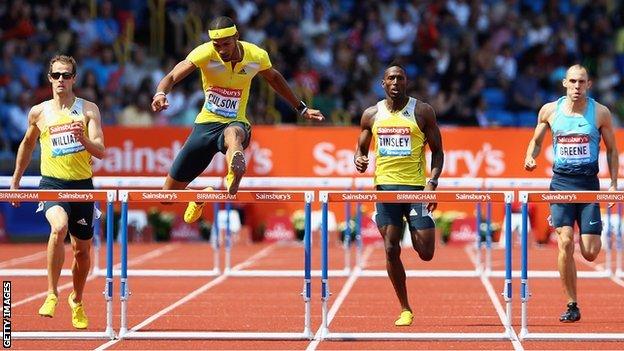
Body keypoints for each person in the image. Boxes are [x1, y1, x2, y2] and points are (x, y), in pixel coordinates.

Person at [151, 16, 324, 223]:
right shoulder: (205, 53)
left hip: (237, 122)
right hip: (205, 125)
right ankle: (197, 197)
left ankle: (234, 171)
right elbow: (172, 76)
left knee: (232, 134)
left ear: (236, 37)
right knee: (167, 196)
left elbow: (275, 79)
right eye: (217, 45)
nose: (222, 50)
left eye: (226, 44)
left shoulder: (256, 55)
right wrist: (160, 94)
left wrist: (301, 108)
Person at [10, 55, 106, 329]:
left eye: (66, 75)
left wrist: (83, 139)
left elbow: (100, 151)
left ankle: (76, 299)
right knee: (58, 228)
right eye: (56, 75)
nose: (61, 80)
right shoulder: (39, 112)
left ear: (74, 78)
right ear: (49, 78)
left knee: (82, 253)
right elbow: (27, 146)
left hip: (82, 186)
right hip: (52, 183)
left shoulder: (88, 110)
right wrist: (16, 182)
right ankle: (52, 293)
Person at [524, 64, 619, 323]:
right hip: (562, 185)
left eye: (582, 82)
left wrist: (612, 184)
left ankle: (580, 232)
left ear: (589, 84)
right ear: (565, 83)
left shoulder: (600, 112)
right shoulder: (550, 111)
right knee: (565, 241)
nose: (577, 87)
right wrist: (530, 156)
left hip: (589, 186)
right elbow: (536, 140)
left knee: (589, 251)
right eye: (573, 82)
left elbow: (611, 150)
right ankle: (571, 304)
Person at [354, 63, 444, 326]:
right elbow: (360, 149)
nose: (395, 82)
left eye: (400, 78)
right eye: (391, 78)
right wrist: (359, 159)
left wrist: (432, 184)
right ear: (383, 84)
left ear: (406, 83)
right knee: (391, 248)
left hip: (415, 188)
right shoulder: (371, 115)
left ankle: (418, 226)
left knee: (425, 251)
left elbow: (438, 151)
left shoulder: (422, 111)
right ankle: (405, 308)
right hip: (385, 188)